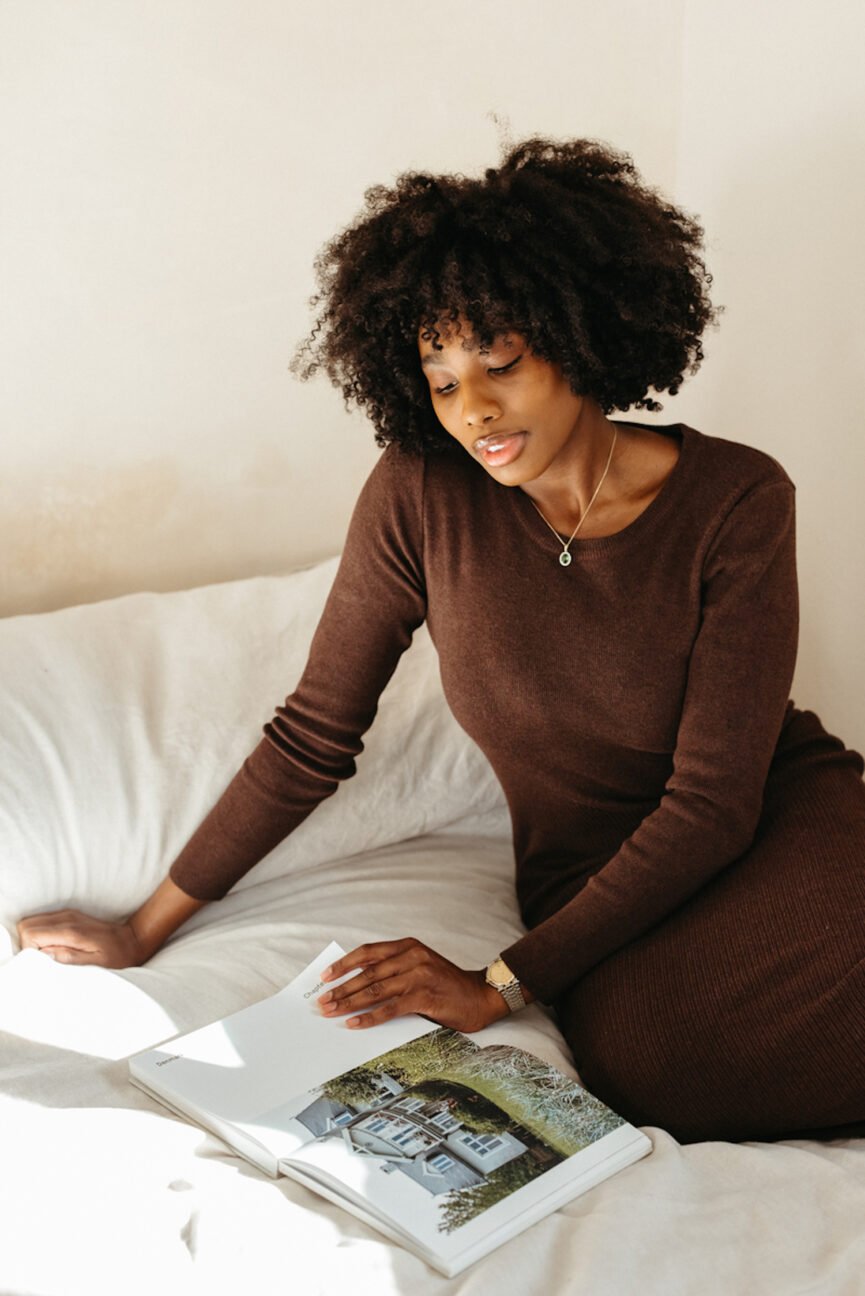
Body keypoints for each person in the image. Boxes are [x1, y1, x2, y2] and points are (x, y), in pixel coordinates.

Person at [18, 138, 865, 1144]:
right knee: (663, 1073)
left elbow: (713, 802)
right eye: (441, 374)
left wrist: (498, 984)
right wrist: (141, 928)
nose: (474, 410)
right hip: (588, 877)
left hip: (771, 824)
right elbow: (313, 735)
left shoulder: (735, 498)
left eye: (500, 361)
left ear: (582, 336)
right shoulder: (421, 493)